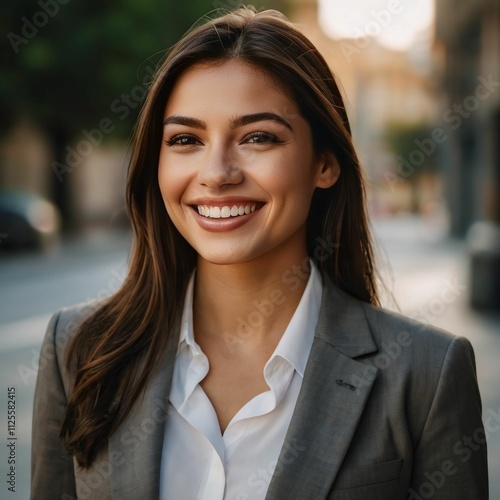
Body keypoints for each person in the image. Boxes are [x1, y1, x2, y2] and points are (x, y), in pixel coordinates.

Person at [31, 6, 488, 500]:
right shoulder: (78, 350)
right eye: (185, 139)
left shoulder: (426, 373)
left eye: (258, 137)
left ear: (325, 164)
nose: (217, 172)